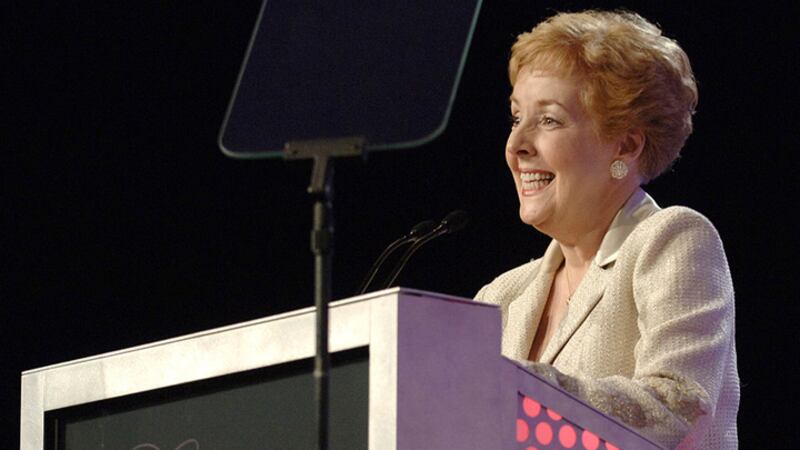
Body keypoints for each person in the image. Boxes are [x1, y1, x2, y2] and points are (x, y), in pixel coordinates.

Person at [474, 10, 739, 449]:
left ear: (626, 145)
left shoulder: (672, 240)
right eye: (516, 118)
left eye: (549, 120)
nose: (516, 145)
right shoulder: (500, 298)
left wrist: (513, 383)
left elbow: (675, 404)